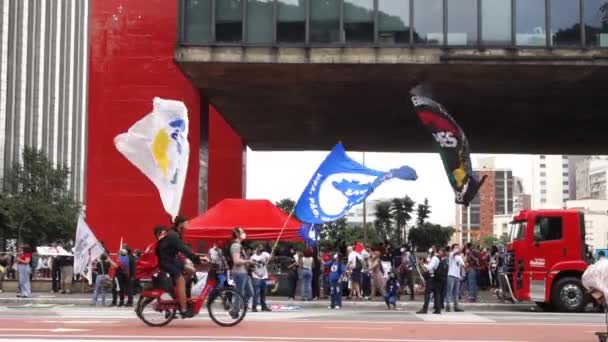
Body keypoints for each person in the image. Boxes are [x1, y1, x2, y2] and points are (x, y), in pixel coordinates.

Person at [156, 226, 202, 318]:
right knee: (180, 280)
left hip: (174, 260)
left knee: (191, 271)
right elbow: (183, 248)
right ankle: (184, 309)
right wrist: (195, 258)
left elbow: (182, 249)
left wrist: (196, 258)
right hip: (167, 262)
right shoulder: (172, 235)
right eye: (186, 222)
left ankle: (179, 293)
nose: (188, 224)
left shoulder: (173, 235)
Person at [230, 227, 255, 316]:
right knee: (239, 292)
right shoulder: (235, 246)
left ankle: (239, 307)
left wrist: (249, 263)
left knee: (250, 292)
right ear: (237, 234)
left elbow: (241, 260)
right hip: (239, 273)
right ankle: (235, 310)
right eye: (242, 232)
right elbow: (236, 261)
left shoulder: (239, 246)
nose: (244, 233)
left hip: (244, 272)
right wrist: (248, 261)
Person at [417, 248, 443, 315]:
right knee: (437, 293)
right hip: (437, 278)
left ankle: (425, 309)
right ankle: (438, 309)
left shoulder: (434, 258)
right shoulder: (439, 258)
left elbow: (429, 267)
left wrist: (423, 264)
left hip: (432, 278)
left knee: (427, 293)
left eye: (430, 252)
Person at [250, 244, 272, 312]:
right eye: (259, 248)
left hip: (264, 276)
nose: (261, 249)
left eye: (262, 248)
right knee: (256, 293)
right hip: (256, 277)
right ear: (256, 249)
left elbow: (271, 258)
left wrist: (273, 251)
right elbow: (251, 268)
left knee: (263, 292)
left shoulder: (265, 254)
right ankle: (254, 306)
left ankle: (263, 306)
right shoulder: (253, 257)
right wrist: (258, 274)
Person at [446, 243, 465, 312]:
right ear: (453, 248)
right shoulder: (451, 254)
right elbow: (455, 253)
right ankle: (447, 306)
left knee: (456, 293)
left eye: (457, 247)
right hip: (451, 275)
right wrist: (461, 248)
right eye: (455, 247)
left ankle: (456, 307)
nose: (456, 248)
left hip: (457, 276)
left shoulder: (459, 257)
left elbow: (463, 265)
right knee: (449, 292)